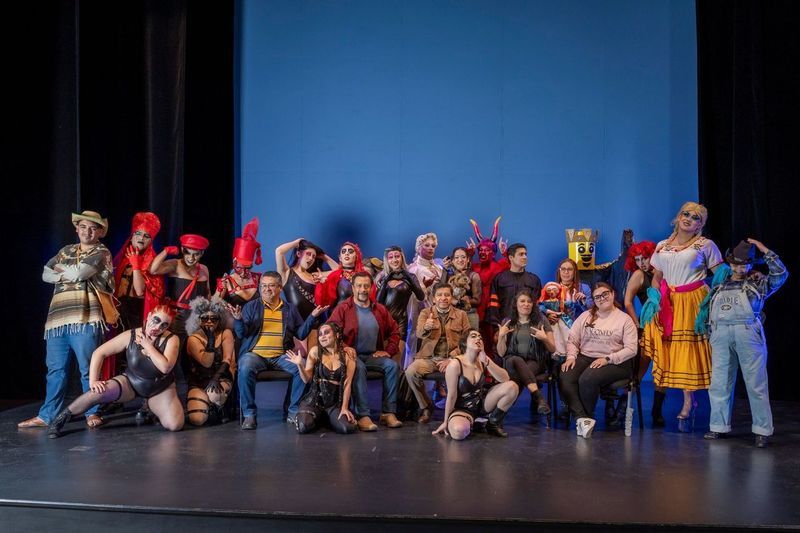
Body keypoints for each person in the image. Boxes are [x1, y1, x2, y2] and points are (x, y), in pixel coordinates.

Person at [19, 211, 114, 430]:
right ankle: (47, 415)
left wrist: (61, 270)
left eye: (93, 228)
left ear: (100, 232)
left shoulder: (101, 251)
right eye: (83, 227)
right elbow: (45, 274)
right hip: (57, 320)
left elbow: (79, 274)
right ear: (77, 228)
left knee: (88, 369)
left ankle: (92, 411)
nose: (87, 232)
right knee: (55, 370)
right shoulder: (65, 250)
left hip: (85, 318)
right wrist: (66, 272)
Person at [640, 202, 723, 432]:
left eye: (695, 217)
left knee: (691, 350)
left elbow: (720, 274)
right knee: (670, 349)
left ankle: (692, 402)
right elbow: (657, 276)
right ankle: (671, 402)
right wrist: (654, 296)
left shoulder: (705, 245)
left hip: (694, 300)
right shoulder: (662, 245)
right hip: (669, 301)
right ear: (678, 217)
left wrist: (711, 299)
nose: (689, 219)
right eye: (685, 214)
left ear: (700, 225)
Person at [700, 239, 788, 448]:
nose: (740, 268)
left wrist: (765, 250)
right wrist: (709, 331)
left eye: (745, 265)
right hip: (721, 333)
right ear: (730, 263)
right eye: (736, 264)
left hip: (747, 331)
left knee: (756, 383)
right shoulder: (719, 284)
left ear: (750, 265)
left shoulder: (758, 283)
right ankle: (718, 426)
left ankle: (762, 430)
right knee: (719, 383)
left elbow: (781, 275)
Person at [47, 304, 183, 437]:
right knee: (97, 392)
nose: (157, 327)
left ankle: (150, 408)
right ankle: (59, 421)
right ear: (149, 315)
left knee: (175, 425)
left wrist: (148, 346)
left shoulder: (171, 339)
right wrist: (93, 381)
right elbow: (99, 353)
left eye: (164, 325)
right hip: (132, 383)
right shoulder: (131, 335)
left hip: (159, 388)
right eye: (156, 320)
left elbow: (165, 367)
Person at [232, 272, 325, 429]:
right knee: (245, 366)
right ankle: (249, 414)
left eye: (271, 285)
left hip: (281, 355)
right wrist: (238, 320)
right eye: (263, 286)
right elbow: (242, 334)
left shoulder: (290, 309)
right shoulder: (251, 307)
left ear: (280, 287)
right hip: (255, 355)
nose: (266, 289)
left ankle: (293, 411)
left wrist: (312, 317)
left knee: (301, 367)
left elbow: (300, 334)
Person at [560, 283, 638, 438]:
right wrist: (571, 357)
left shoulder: (624, 319)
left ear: (613, 294)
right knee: (565, 375)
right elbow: (573, 340)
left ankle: (587, 418)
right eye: (597, 297)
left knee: (587, 378)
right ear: (594, 300)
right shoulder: (586, 316)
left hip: (616, 362)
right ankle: (582, 419)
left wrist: (608, 359)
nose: (602, 299)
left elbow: (631, 349)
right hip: (586, 356)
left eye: (605, 294)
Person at [327, 272, 403, 431]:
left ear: (371, 288)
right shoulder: (343, 308)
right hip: (351, 356)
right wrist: (343, 347)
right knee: (358, 368)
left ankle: (388, 412)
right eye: (359, 286)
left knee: (392, 366)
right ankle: (362, 415)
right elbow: (330, 332)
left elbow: (395, 331)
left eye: (366, 286)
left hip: (372, 355)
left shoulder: (379, 309)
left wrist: (388, 351)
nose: (363, 289)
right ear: (353, 288)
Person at [432, 330, 519, 440]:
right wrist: (445, 422)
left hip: (482, 404)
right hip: (462, 409)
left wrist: (486, 360)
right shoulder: (455, 364)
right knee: (459, 432)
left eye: (480, 337)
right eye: (473, 336)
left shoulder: (482, 360)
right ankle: (474, 423)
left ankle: (492, 423)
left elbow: (505, 378)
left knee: (512, 387)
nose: (478, 339)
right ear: (464, 342)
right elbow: (451, 395)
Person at [405, 284, 471, 423]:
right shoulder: (425, 313)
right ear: (434, 299)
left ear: (452, 298)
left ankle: (457, 408)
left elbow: (467, 341)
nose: (443, 298)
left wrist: (452, 358)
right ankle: (426, 405)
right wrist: (426, 327)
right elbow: (419, 333)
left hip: (452, 359)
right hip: (429, 358)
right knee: (411, 372)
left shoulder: (461, 315)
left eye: (447, 295)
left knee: (463, 372)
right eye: (439, 295)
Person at [288, 323, 358, 434]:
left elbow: (347, 384)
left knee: (347, 428)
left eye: (326, 333)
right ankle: (318, 417)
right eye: (320, 334)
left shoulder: (348, 356)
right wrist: (300, 365)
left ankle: (326, 418)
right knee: (303, 426)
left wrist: (344, 408)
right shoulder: (315, 352)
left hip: (334, 404)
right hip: (314, 402)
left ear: (337, 335)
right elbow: (306, 379)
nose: (322, 336)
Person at [621, 240, 662, 425]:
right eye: (637, 260)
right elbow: (627, 301)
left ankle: (657, 410)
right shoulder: (638, 274)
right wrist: (637, 323)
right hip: (647, 324)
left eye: (644, 258)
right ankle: (623, 407)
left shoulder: (663, 272)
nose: (641, 263)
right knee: (640, 367)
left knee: (662, 368)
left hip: (665, 323)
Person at [497, 289, 555, 415]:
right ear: (516, 304)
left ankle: (498, 413)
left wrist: (544, 338)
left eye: (529, 301)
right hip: (511, 362)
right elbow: (501, 353)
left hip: (535, 361)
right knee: (516, 359)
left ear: (533, 304)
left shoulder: (541, 320)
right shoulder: (507, 322)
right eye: (522, 301)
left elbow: (552, 349)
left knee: (520, 375)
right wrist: (501, 337)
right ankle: (539, 397)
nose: (526, 304)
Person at [149, 233, 211, 341]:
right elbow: (153, 270)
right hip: (177, 317)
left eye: (196, 254)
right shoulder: (175, 264)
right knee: (174, 347)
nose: (191, 258)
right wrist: (166, 251)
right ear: (182, 249)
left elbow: (207, 293)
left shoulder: (204, 269)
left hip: (197, 318)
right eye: (188, 253)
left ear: (202, 253)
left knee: (195, 349)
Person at [185, 296, 236, 426]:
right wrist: (210, 343)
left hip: (221, 377)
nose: (209, 322)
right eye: (204, 318)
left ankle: (220, 405)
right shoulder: (193, 339)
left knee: (214, 395)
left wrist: (216, 377)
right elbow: (206, 363)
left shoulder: (226, 333)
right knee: (197, 419)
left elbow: (227, 359)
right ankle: (210, 405)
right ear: (198, 319)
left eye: (214, 318)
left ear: (220, 319)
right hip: (199, 380)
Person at [375, 245, 426, 366]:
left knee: (396, 360)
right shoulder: (382, 277)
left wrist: (408, 276)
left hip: (400, 321)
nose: (394, 260)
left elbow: (421, 296)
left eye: (397, 256)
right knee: (384, 360)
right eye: (391, 257)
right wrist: (385, 281)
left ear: (402, 257)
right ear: (387, 260)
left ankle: (398, 378)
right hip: (384, 321)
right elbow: (378, 303)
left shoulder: (410, 276)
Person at [467, 217, 509, 357]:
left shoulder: (499, 265)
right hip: (477, 308)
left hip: (493, 309)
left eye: (486, 250)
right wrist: (469, 255)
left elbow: (511, 265)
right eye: (480, 250)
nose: (482, 253)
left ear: (493, 253)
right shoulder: (475, 267)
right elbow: (464, 271)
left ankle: (491, 366)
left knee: (493, 340)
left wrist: (505, 253)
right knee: (478, 339)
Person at [406, 233, 444, 362]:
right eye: (427, 245)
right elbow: (411, 295)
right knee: (416, 336)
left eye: (433, 246)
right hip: (419, 309)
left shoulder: (439, 268)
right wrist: (424, 287)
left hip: (438, 309)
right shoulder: (413, 269)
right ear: (418, 248)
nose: (430, 248)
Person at [486, 243, 542, 331]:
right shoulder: (499, 279)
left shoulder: (534, 280)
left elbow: (538, 305)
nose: (525, 257)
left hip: (529, 327)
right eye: (521, 254)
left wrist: (537, 325)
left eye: (525, 254)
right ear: (511, 257)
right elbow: (493, 306)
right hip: (505, 326)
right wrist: (497, 328)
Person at [215, 217, 263, 308]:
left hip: (256, 317)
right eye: (239, 268)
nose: (243, 272)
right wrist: (220, 289)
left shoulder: (257, 277)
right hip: (235, 317)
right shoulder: (227, 281)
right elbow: (214, 304)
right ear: (234, 263)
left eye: (247, 268)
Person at [314, 241, 372, 311]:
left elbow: (372, 300)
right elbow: (322, 304)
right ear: (340, 258)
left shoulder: (365, 275)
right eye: (343, 251)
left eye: (350, 251)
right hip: (339, 314)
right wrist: (322, 284)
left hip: (360, 314)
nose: (347, 253)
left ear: (356, 256)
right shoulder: (334, 275)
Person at [442, 247, 482, 330]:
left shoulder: (473, 276)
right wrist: (445, 270)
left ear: (468, 259)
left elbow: (477, 301)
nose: (460, 260)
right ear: (452, 261)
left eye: (463, 257)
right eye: (456, 257)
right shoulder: (449, 276)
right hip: (451, 315)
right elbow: (440, 291)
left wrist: (464, 301)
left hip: (469, 315)